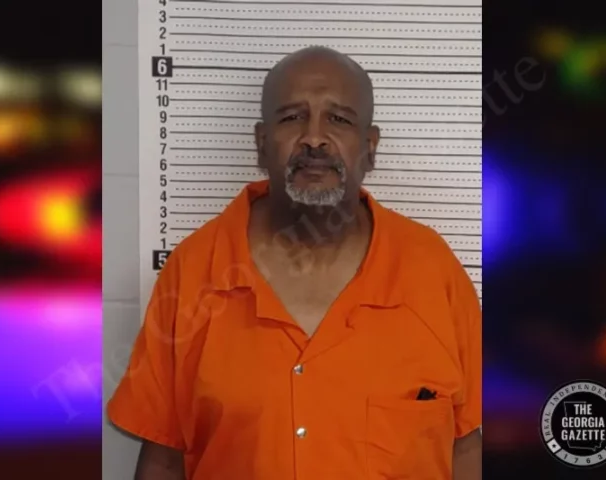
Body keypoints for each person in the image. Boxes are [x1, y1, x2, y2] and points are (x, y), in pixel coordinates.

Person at [107, 46, 482, 480]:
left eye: (338, 119)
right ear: (262, 143)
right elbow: (164, 458)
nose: (314, 138)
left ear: (370, 147)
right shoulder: (193, 270)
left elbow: (466, 445)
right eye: (292, 118)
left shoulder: (432, 271)